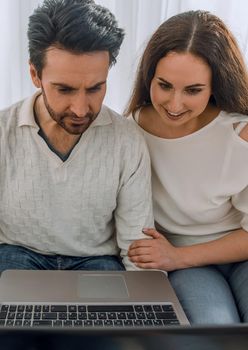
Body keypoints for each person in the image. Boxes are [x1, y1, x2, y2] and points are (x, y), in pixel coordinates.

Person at [0, 0, 154, 272]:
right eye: (65, 90)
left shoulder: (127, 141)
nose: (81, 109)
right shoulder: (4, 132)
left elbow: (136, 248)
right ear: (35, 74)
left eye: (95, 88)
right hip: (16, 257)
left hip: (97, 262)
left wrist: (141, 309)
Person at [126, 10, 248, 324]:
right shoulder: (128, 132)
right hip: (186, 265)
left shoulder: (240, 136)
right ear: (148, 77)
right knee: (216, 331)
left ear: (214, 87)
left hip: (235, 253)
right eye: (164, 86)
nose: (175, 104)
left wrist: (179, 256)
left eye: (193, 90)